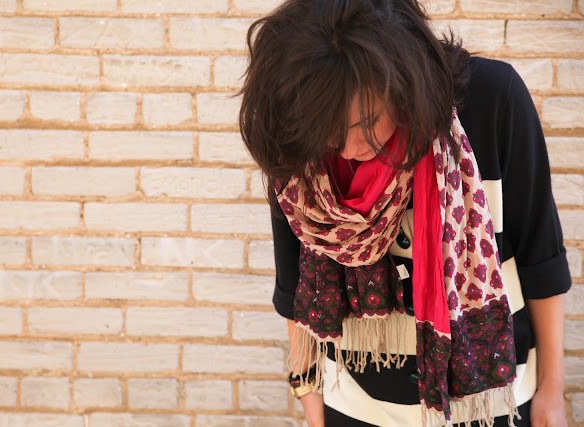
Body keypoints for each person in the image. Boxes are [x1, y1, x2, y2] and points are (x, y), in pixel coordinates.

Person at [238, 0, 571, 426]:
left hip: (492, 406)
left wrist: (552, 390)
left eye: (365, 122)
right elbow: (294, 291)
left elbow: (541, 258)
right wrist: (311, 406)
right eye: (330, 133)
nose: (348, 149)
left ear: (400, 80)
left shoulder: (493, 100)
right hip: (353, 407)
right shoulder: (297, 140)